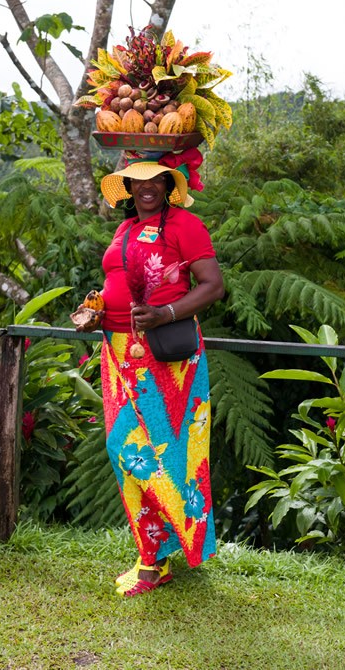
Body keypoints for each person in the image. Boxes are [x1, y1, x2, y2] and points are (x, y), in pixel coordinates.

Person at [76, 148, 224, 597]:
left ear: (168, 185)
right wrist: (95, 308)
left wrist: (167, 312)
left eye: (156, 179)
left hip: (167, 359)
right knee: (125, 451)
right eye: (137, 181)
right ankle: (152, 557)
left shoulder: (185, 226)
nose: (146, 187)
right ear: (128, 188)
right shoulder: (125, 229)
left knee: (159, 453)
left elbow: (214, 285)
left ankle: (167, 551)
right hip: (118, 353)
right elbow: (114, 286)